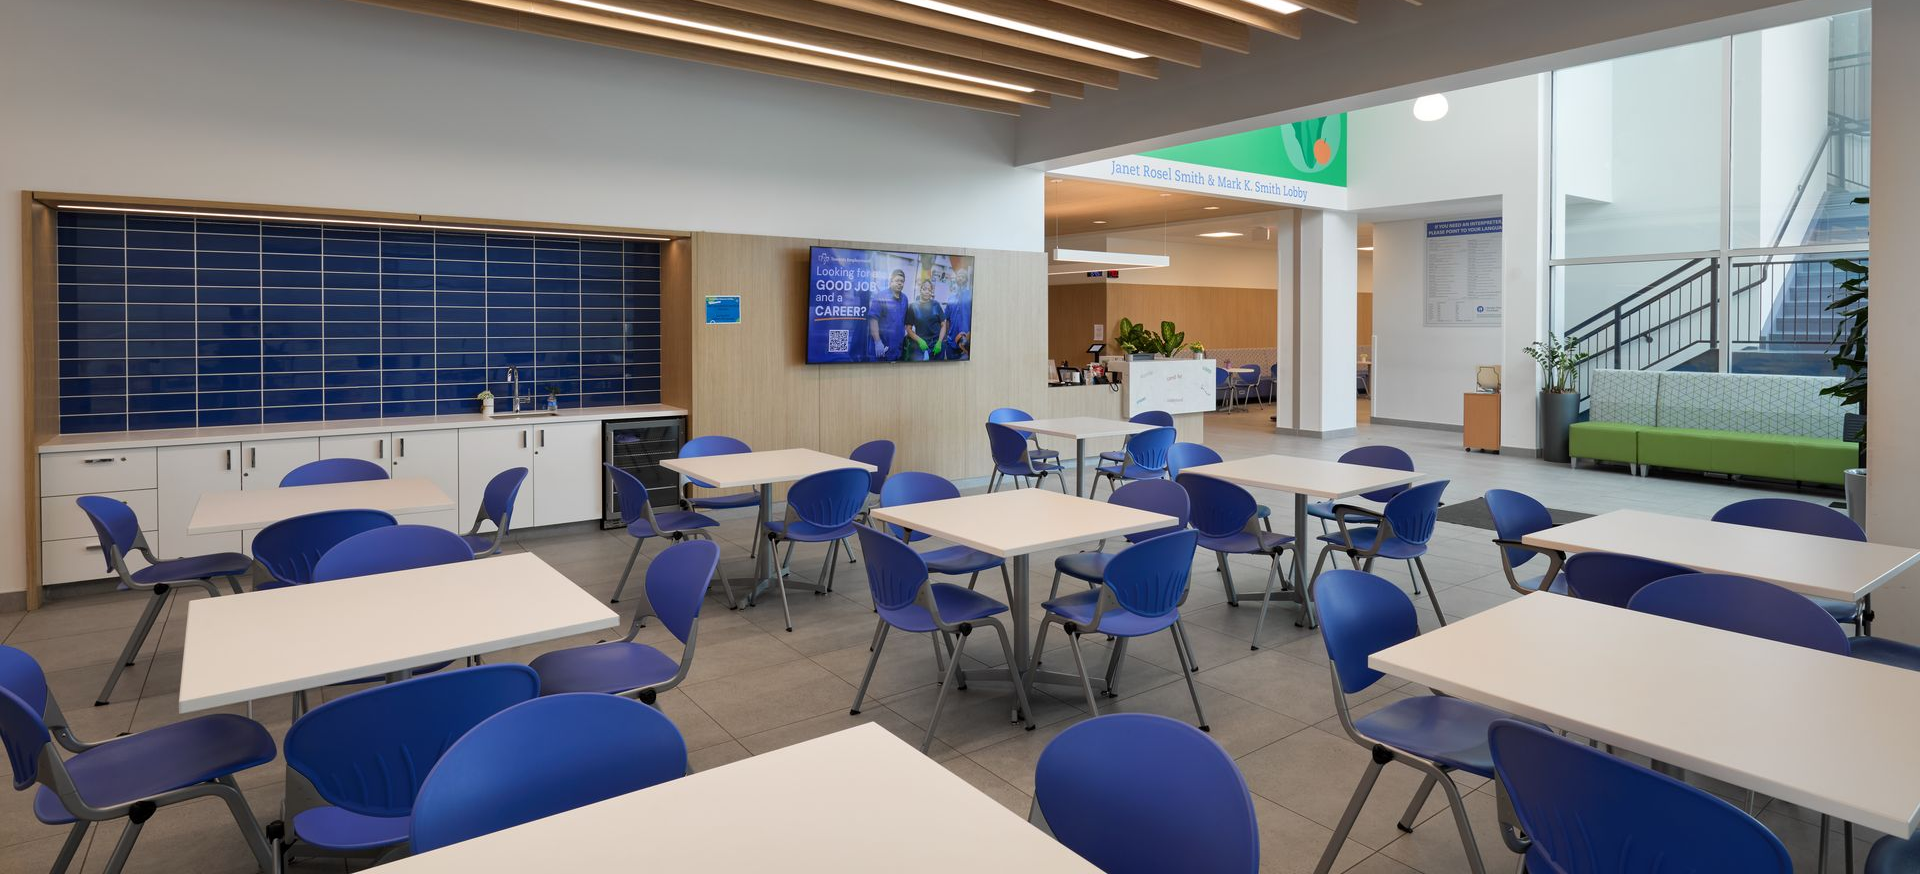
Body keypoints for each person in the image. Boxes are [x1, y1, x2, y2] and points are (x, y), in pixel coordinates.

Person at [865, 269, 907, 362]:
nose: (900, 283)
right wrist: (877, 342)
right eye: (897, 280)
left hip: (897, 349)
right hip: (881, 347)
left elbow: (902, 321)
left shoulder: (905, 299)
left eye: (902, 281)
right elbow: (873, 320)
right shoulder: (881, 296)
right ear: (891, 281)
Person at [904, 279, 948, 362]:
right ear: (920, 290)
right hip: (922, 345)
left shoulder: (936, 305)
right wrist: (919, 341)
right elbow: (908, 329)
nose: (927, 292)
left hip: (937, 344)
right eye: (924, 289)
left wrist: (939, 342)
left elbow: (943, 324)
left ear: (931, 292)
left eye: (929, 290)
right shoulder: (913, 307)